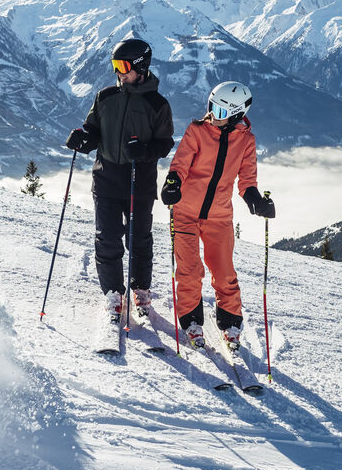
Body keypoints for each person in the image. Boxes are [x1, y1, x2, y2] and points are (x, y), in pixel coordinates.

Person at [160, 81, 275, 351]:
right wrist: (173, 183)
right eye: (211, 108)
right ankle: (191, 321)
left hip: (219, 217)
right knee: (189, 270)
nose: (213, 116)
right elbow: (181, 163)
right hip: (185, 211)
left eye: (221, 113)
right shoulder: (198, 130)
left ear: (236, 116)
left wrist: (256, 202)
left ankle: (230, 322)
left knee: (224, 272)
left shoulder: (246, 140)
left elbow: (247, 180)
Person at [66, 38, 174, 321]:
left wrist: (145, 150)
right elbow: (93, 130)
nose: (118, 72)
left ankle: (140, 289)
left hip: (140, 180)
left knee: (139, 240)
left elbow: (164, 144)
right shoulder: (105, 97)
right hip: (107, 177)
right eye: (115, 66)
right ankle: (113, 292)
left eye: (123, 66)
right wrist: (83, 139)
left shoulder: (157, 104)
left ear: (140, 66)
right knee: (108, 238)